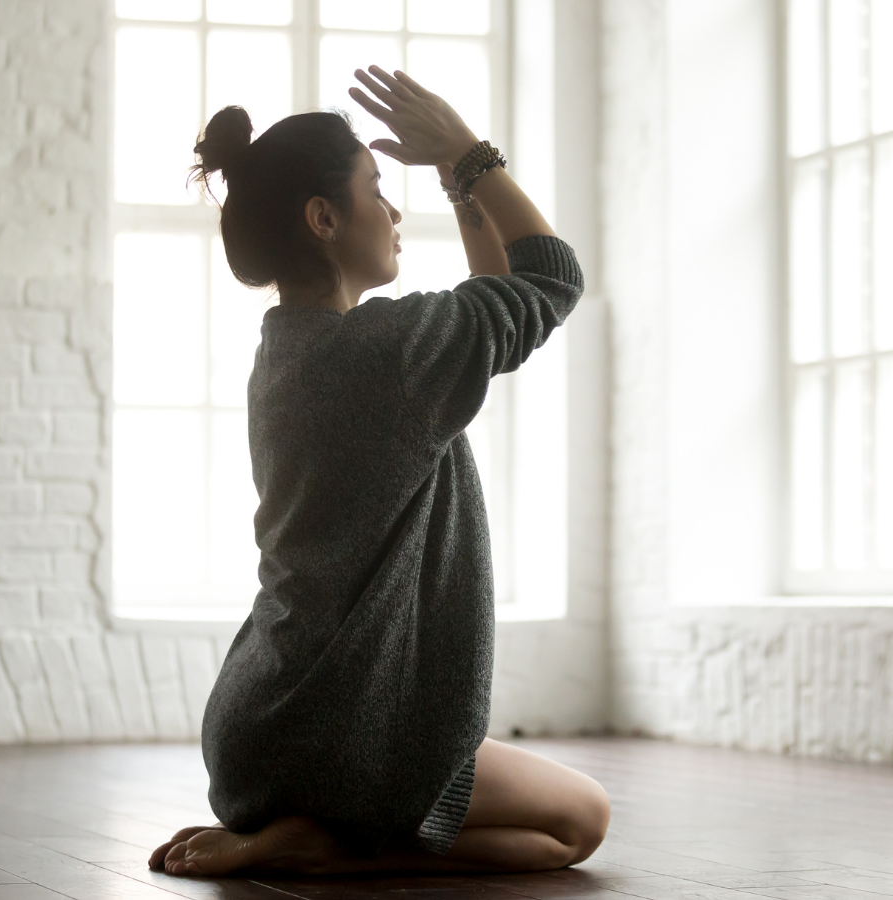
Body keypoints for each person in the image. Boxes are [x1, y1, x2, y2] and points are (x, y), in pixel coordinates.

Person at [147, 66, 610, 877]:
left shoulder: (287, 354)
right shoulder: (391, 354)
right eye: (376, 189)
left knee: (545, 833)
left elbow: (493, 300)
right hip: (351, 732)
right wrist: (468, 155)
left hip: (255, 735)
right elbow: (550, 280)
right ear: (323, 217)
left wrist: (458, 190)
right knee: (582, 822)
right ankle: (338, 842)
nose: (396, 213)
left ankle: (324, 834)